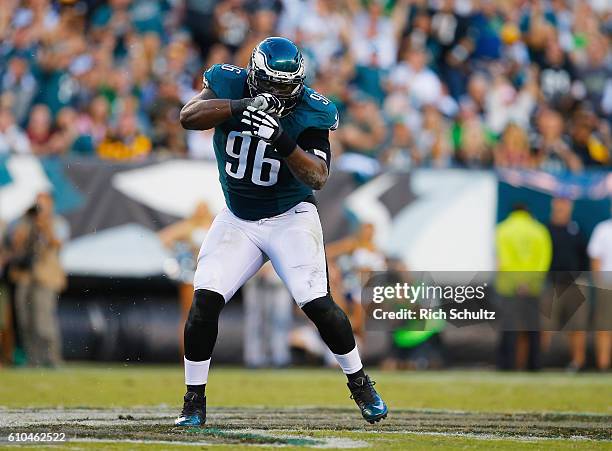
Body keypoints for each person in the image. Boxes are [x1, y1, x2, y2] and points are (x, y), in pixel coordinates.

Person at [175, 37, 387, 427]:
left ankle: (360, 382)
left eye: (287, 87)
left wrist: (281, 139)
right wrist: (241, 107)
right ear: (255, 77)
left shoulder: (311, 109)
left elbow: (318, 177)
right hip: (238, 217)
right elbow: (188, 117)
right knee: (204, 301)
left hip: (291, 215)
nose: (280, 95)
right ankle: (194, 401)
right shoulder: (228, 82)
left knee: (317, 302)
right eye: (272, 85)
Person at [9, 192, 69, 367]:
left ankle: (52, 358)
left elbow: (57, 244)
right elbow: (15, 245)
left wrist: (45, 226)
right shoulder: (25, 221)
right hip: (24, 276)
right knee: (24, 320)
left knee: (43, 320)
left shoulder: (58, 222)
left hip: (45, 277)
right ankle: (32, 359)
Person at [495, 204, 552, 371]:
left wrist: (517, 281)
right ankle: (534, 365)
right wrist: (529, 281)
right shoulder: (539, 230)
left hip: (509, 286)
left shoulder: (503, 229)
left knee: (509, 327)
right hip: (534, 286)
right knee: (533, 327)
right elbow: (544, 259)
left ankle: (507, 365)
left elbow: (503, 259)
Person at [542, 198, 589, 371]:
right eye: (559, 203)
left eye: (565, 204)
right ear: (553, 205)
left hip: (574, 283)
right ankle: (539, 362)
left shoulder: (577, 230)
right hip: (549, 283)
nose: (562, 207)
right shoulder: (544, 229)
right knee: (544, 326)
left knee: (577, 326)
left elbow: (585, 258)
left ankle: (578, 363)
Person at [243, 264, 292, 368]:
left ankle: (280, 358)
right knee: (255, 321)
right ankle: (254, 358)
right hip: (253, 272)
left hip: (281, 274)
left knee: (281, 320)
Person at [587, 211, 612, 370]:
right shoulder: (603, 229)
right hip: (607, 284)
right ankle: (603, 365)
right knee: (604, 326)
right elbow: (595, 259)